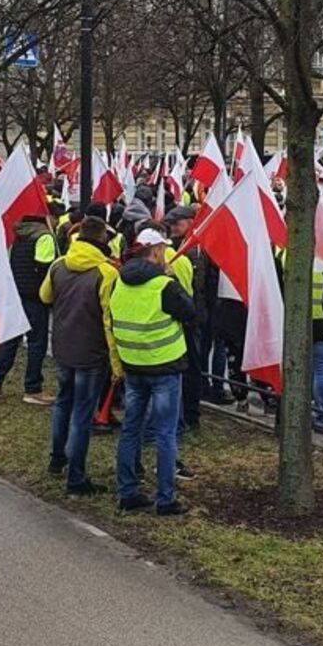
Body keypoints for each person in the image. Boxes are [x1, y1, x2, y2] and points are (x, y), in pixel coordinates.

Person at [109, 228, 198, 514]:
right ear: (157, 251)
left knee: (131, 428)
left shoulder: (119, 280)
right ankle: (165, 498)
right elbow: (191, 312)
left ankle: (127, 491)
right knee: (165, 433)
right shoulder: (164, 285)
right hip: (164, 366)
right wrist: (172, 278)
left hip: (133, 364)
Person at [42, 215, 117, 493]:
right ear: (102, 238)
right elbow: (109, 320)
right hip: (92, 351)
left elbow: (45, 296)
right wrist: (116, 362)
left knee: (63, 402)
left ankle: (57, 458)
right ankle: (76, 477)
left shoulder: (59, 265)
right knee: (83, 413)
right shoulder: (106, 273)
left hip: (63, 346)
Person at [0, 212, 57, 403]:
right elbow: (45, 268)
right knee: (37, 343)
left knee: (11, 339)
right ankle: (33, 388)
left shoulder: (19, 236)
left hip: (16, 294)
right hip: (35, 297)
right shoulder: (44, 237)